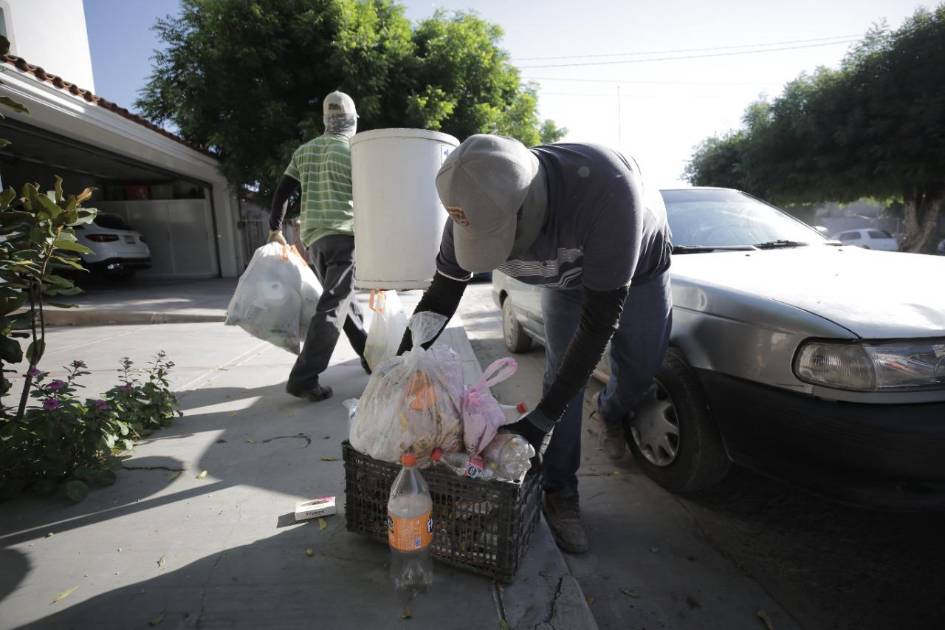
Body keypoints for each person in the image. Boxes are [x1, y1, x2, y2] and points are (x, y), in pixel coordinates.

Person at [399, 134, 672, 553]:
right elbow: (441, 296)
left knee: (641, 368)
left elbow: (600, 322)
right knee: (562, 377)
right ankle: (560, 490)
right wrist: (398, 370)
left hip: (638, 274)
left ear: (530, 204)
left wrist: (541, 419)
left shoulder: (607, 191)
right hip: (564, 283)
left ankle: (611, 410)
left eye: (501, 237)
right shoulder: (471, 206)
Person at [268, 90, 369, 401]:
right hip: (345, 237)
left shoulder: (305, 151)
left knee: (343, 302)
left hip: (315, 241)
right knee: (333, 306)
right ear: (352, 119)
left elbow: (283, 191)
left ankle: (369, 356)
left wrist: (275, 228)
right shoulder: (355, 151)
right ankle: (304, 377)